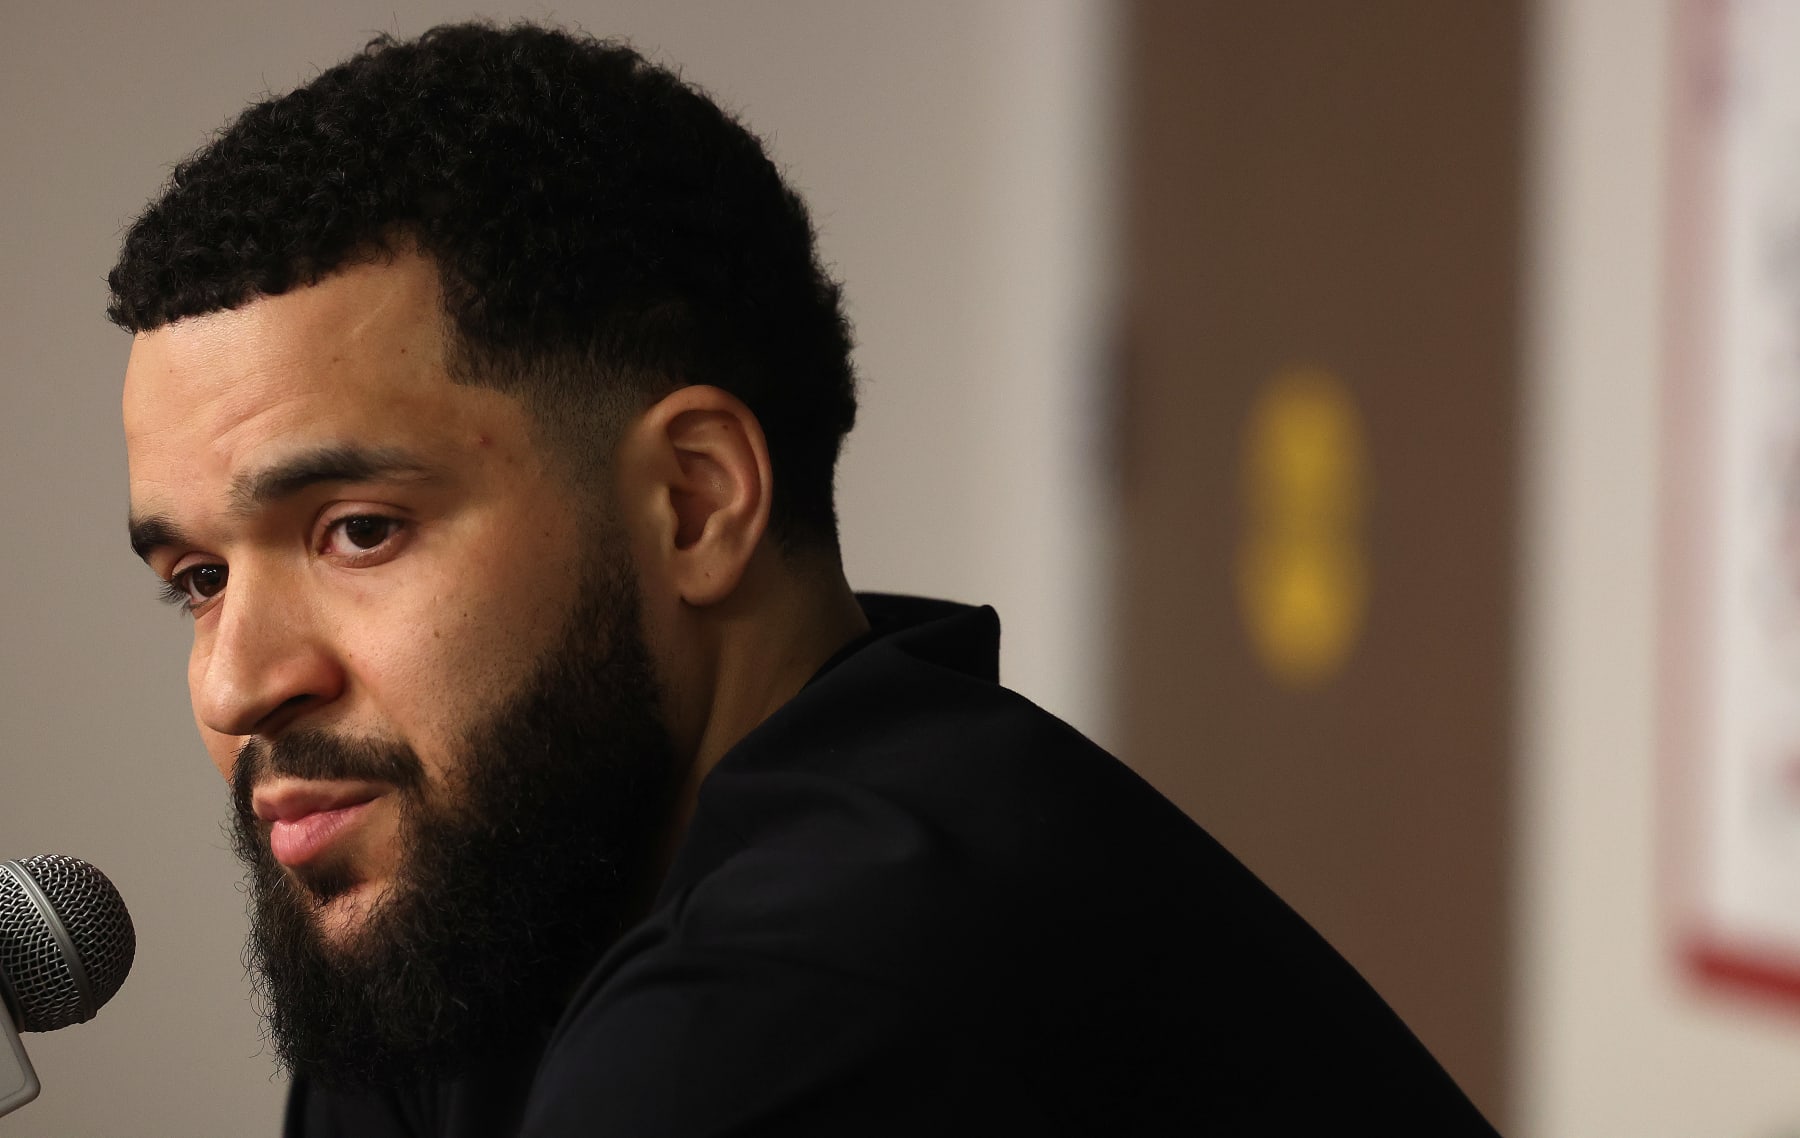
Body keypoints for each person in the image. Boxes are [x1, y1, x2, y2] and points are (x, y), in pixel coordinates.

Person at [111, 21, 1498, 1137]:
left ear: (695, 502)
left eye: (358, 529)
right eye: (197, 576)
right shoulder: (487, 912)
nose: (238, 681)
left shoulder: (827, 989)